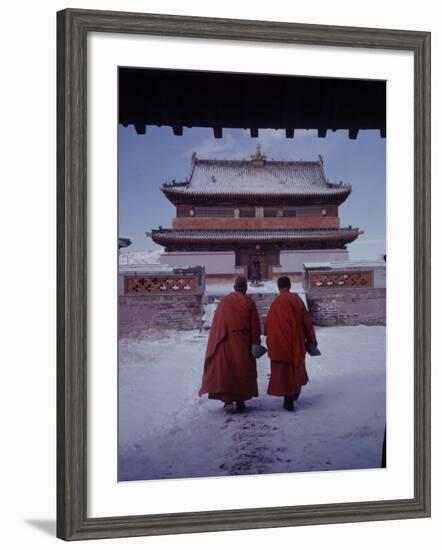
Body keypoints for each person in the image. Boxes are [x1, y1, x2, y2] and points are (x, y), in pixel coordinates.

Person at [199, 276, 261, 413]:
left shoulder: (224, 302)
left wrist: (216, 339)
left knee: (227, 370)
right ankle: (240, 400)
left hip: (225, 340)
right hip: (242, 342)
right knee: (241, 370)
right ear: (245, 288)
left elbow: (217, 323)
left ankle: (228, 400)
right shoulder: (249, 302)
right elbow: (255, 326)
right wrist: (256, 343)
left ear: (234, 287)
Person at [265, 276, 317, 411]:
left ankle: (288, 397)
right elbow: (307, 322)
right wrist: (312, 341)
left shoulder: (275, 302)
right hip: (295, 341)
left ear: (278, 287)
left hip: (279, 342)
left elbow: (267, 327)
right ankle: (293, 394)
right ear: (289, 286)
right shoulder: (296, 300)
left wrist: (271, 341)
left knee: (284, 372)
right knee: (295, 368)